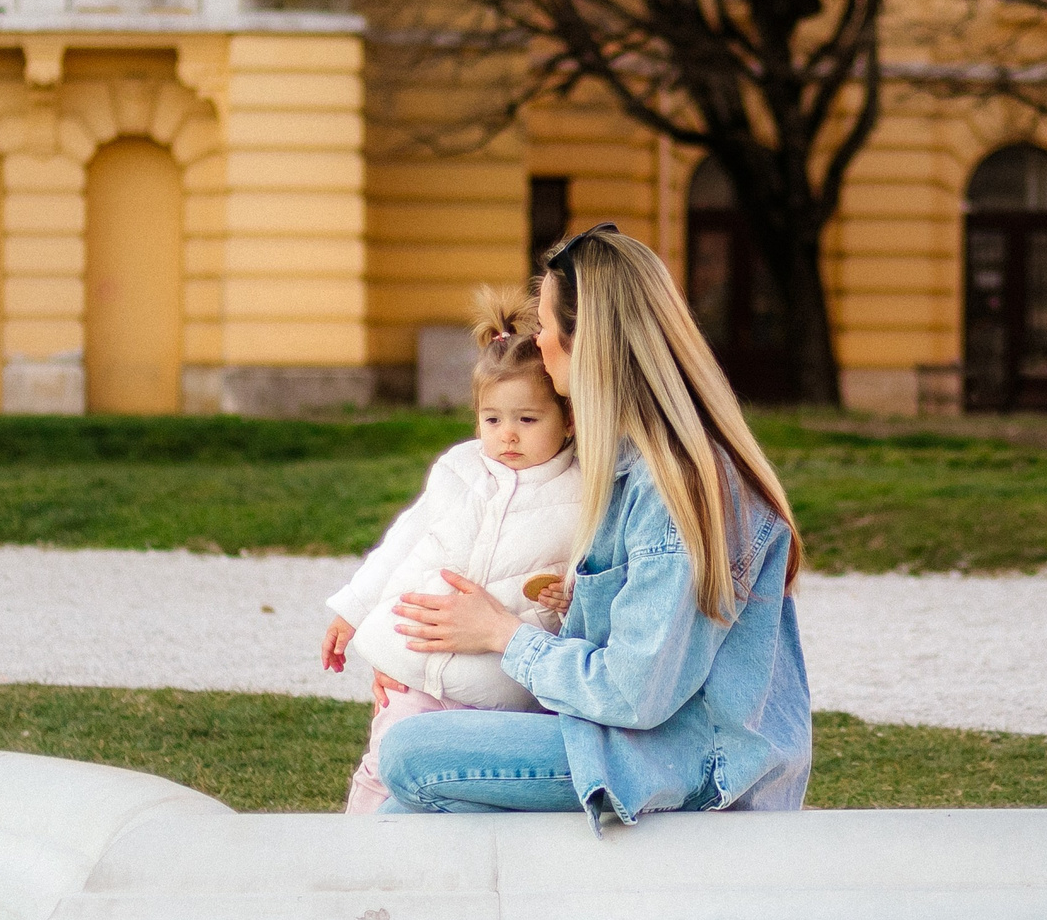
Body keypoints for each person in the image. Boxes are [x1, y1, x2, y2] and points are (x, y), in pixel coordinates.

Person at [376, 222, 812, 823]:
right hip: (625, 740)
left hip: (691, 764)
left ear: (591, 344)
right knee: (400, 812)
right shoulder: (614, 467)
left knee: (409, 754)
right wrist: (416, 668)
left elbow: (635, 692)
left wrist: (501, 634)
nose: (539, 345)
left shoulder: (674, 489)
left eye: (548, 331)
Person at [321, 290, 584, 813]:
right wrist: (349, 611)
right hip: (415, 667)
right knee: (382, 768)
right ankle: (355, 863)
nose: (507, 435)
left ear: (569, 421)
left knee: (461, 792)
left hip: (497, 691)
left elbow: (588, 578)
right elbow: (403, 542)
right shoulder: (459, 471)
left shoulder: (581, 493)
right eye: (492, 420)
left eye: (527, 421)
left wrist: (567, 594)